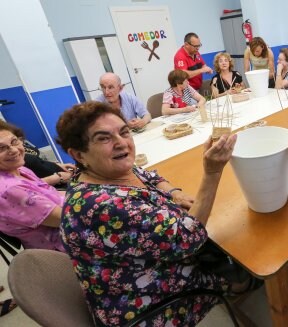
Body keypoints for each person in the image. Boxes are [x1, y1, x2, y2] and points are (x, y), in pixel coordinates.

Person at [56, 101, 260, 326]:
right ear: (78, 154)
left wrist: (174, 193)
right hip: (149, 302)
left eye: (124, 132)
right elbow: (187, 240)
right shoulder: (100, 207)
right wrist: (212, 172)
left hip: (151, 262)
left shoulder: (103, 170)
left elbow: (148, 175)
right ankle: (237, 287)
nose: (121, 142)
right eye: (103, 138)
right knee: (252, 259)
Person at [0, 121, 66, 252]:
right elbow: (65, 219)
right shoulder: (11, 190)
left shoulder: (20, 170)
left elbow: (52, 194)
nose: (13, 150)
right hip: (66, 246)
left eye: (14, 142)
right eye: (1, 148)